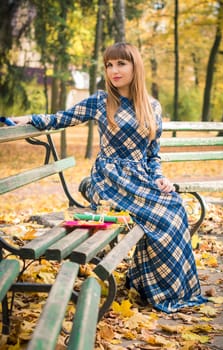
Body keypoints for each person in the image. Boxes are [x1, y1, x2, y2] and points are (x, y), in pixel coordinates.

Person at [10, 42, 207, 313]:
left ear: (135, 66)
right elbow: (61, 118)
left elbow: (153, 154)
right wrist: (26, 119)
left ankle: (161, 286)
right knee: (162, 216)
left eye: (121, 64)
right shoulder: (100, 101)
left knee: (174, 208)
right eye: (109, 65)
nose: (114, 70)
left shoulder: (152, 106)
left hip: (140, 179)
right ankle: (158, 289)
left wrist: (160, 178)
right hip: (110, 179)